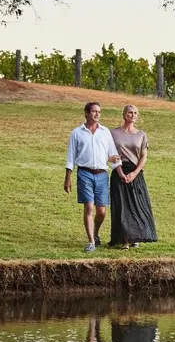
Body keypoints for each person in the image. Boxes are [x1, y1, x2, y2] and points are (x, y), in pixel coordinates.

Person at [65, 102, 120, 252]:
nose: (97, 114)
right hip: (85, 173)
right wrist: (68, 178)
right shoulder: (77, 133)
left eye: (99, 112)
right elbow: (71, 157)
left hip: (102, 174)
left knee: (101, 211)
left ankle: (95, 233)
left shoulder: (105, 132)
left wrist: (120, 173)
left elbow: (113, 155)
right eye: (94, 111)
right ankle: (91, 242)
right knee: (89, 207)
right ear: (86, 113)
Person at [109, 104, 158, 249]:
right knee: (122, 206)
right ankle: (124, 239)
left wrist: (135, 173)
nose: (133, 115)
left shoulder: (141, 135)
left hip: (135, 172)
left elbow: (143, 156)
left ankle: (135, 236)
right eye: (130, 112)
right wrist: (120, 173)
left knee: (137, 205)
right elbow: (112, 153)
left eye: (135, 113)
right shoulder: (113, 133)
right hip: (119, 170)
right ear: (124, 115)